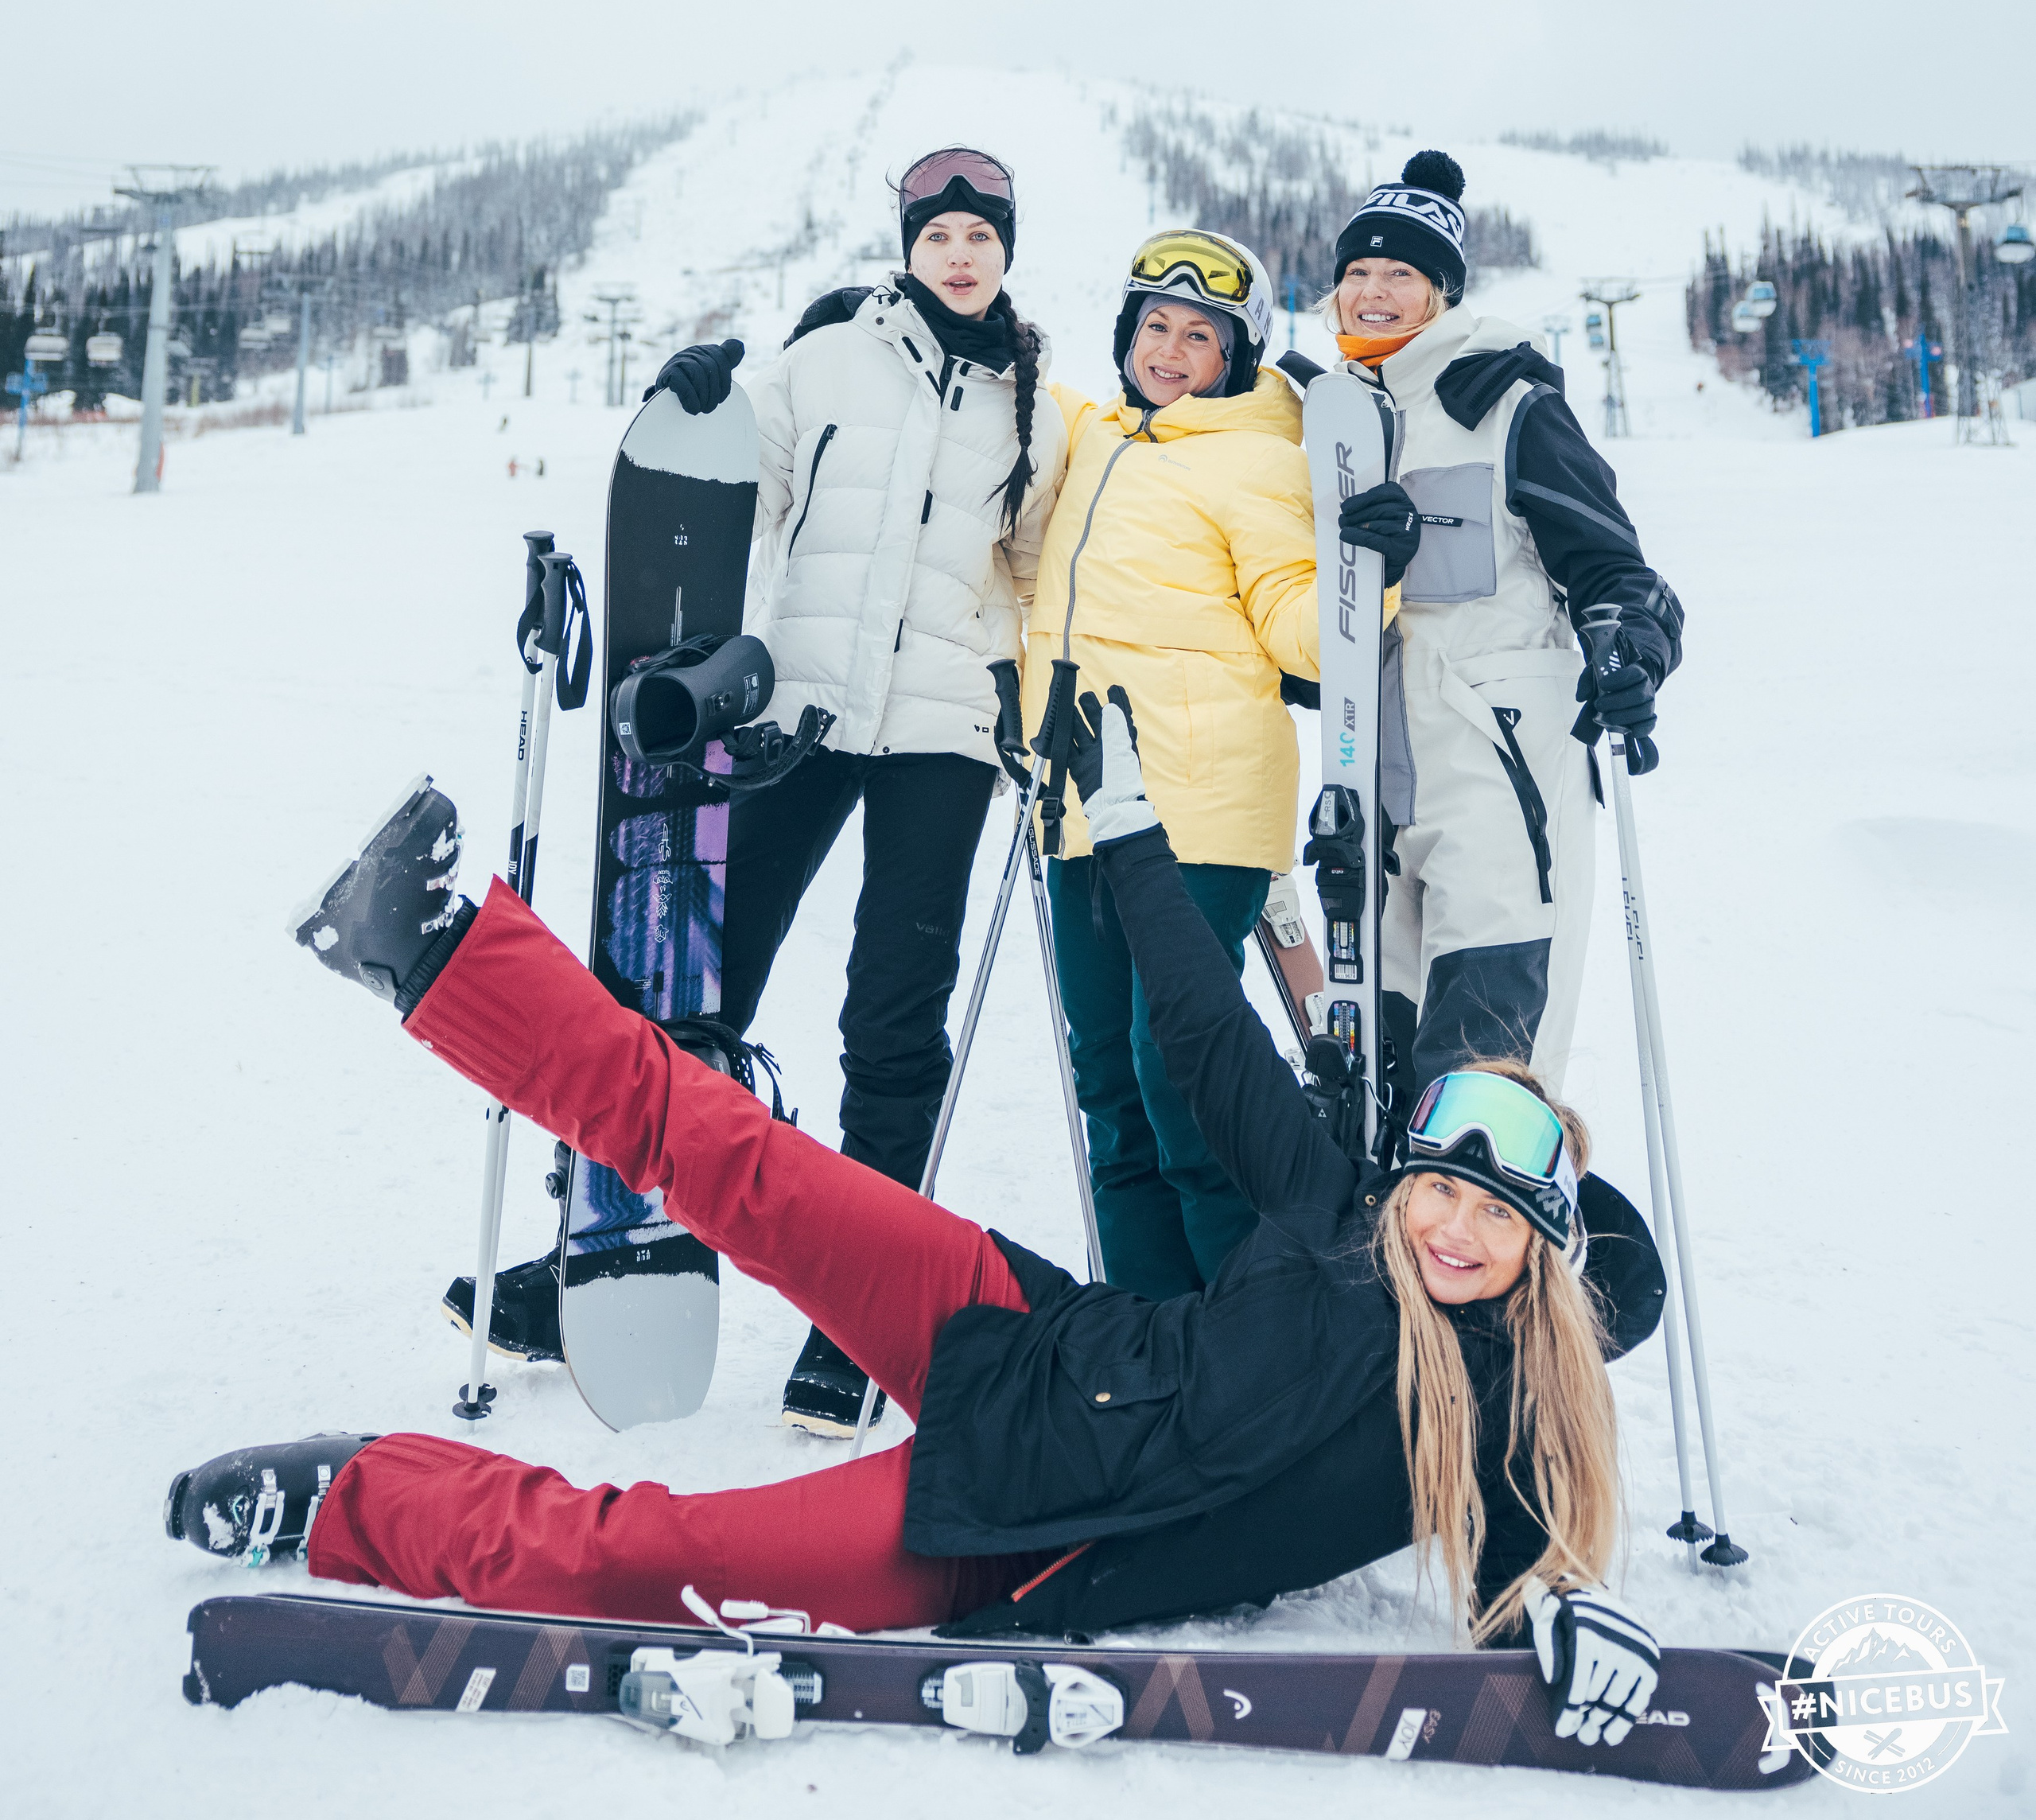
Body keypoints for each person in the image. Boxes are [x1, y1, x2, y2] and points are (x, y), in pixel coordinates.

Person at [176, 713, 1669, 1749]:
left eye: (1497, 1212)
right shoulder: (1335, 1213)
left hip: (1011, 1531)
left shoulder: (1490, 1415)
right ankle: (430, 945)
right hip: (1020, 1322)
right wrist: (1132, 818)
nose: (1455, 1228)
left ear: (1544, 1256)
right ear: (1406, 1177)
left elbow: (1529, 1565)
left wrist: (1576, 1621)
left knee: (652, 1558)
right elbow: (1208, 1030)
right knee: (722, 1146)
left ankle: (348, 1499)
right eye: (1443, 1189)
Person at [449, 148, 1065, 1437]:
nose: (960, 254)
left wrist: (1037, 699)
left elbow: (1036, 572)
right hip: (800, 717)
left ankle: (862, 1319)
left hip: (945, 740)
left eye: (981, 236)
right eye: (939, 233)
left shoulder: (1036, 407)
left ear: (1005, 251)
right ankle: (601, 1258)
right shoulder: (828, 359)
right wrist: (700, 404)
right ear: (909, 245)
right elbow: (735, 495)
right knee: (690, 1000)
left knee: (894, 1027)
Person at [1298, 150, 1685, 1103]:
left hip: (1498, 767)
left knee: (1485, 1067)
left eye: (1401, 274)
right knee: (1373, 1073)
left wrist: (1628, 646)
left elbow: (1612, 567)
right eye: (1357, 273)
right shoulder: (1321, 418)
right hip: (1372, 785)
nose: (1373, 293)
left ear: (1441, 292)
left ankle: (1511, 1243)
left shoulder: (1505, 402)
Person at [1016, 229, 1327, 1301]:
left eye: (1202, 334)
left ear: (1234, 355)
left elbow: (1296, 618)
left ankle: (1249, 1334)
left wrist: (1365, 576)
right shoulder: (1099, 434)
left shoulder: (1260, 454)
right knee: (1108, 1079)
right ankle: (1152, 1336)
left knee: (1181, 1077)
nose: (1172, 348)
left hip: (1200, 804)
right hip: (1079, 799)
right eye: (1156, 325)